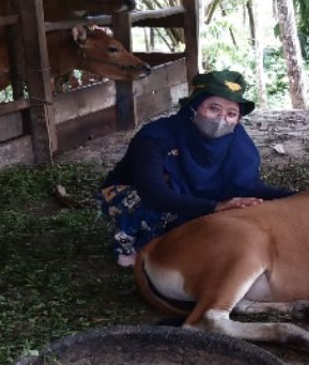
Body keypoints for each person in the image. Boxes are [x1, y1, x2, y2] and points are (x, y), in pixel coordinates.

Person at [97, 70, 294, 266]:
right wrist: (215, 207)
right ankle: (130, 248)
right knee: (147, 205)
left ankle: (177, 236)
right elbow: (153, 193)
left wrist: (293, 197)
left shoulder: (237, 142)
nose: (221, 119)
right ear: (193, 106)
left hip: (192, 198)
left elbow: (246, 186)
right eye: (213, 109)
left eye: (231, 114)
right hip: (134, 193)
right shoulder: (156, 136)